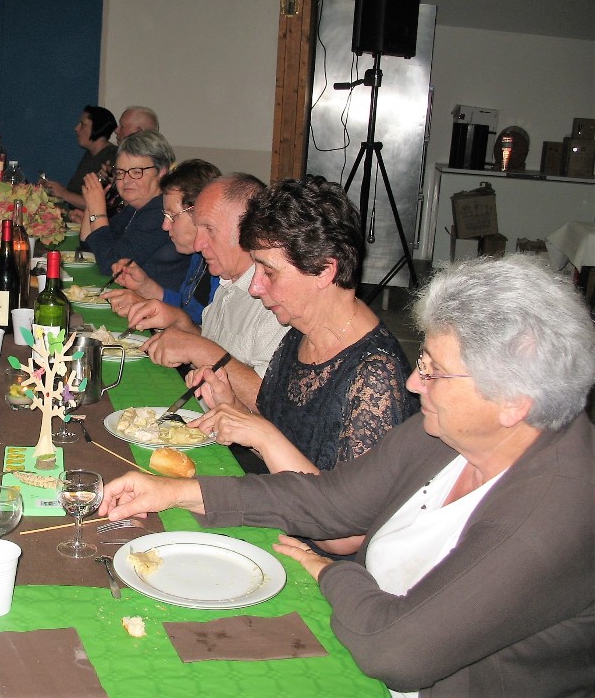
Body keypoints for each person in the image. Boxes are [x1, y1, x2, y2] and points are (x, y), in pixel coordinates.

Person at [101, 253, 595, 697]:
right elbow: (328, 502)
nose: (412, 381)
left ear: (513, 402)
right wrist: (173, 492)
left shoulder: (554, 510)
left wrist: (335, 574)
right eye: (422, 359)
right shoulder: (444, 436)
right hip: (355, 635)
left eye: (434, 371)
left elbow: (396, 650)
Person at [192, 178, 419, 553]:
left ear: (324, 271)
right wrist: (231, 407)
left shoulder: (375, 375)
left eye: (269, 272)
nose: (255, 287)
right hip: (276, 515)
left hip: (319, 562)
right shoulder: (299, 333)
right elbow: (282, 439)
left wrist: (263, 435)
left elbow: (348, 534)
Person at [126, 173, 288, 399]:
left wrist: (198, 349)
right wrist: (183, 325)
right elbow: (221, 345)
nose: (198, 243)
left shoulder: (275, 299)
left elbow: (273, 401)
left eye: (209, 229)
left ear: (248, 230)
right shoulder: (227, 282)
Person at [104, 158, 221, 326]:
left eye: (172, 216)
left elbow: (206, 329)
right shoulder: (198, 256)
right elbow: (185, 305)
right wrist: (144, 286)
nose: (165, 226)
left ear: (200, 213)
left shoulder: (222, 268)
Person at [77, 130, 189, 291]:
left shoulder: (160, 213)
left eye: (137, 172)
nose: (126, 181)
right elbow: (90, 246)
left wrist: (97, 211)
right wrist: (91, 202)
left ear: (162, 172)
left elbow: (110, 266)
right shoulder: (136, 208)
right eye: (121, 173)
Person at [41, 105, 118, 211]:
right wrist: (57, 189)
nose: (76, 128)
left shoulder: (112, 157)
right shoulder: (89, 154)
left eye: (82, 125)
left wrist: (64, 193)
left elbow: (101, 204)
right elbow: (77, 194)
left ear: (98, 128)